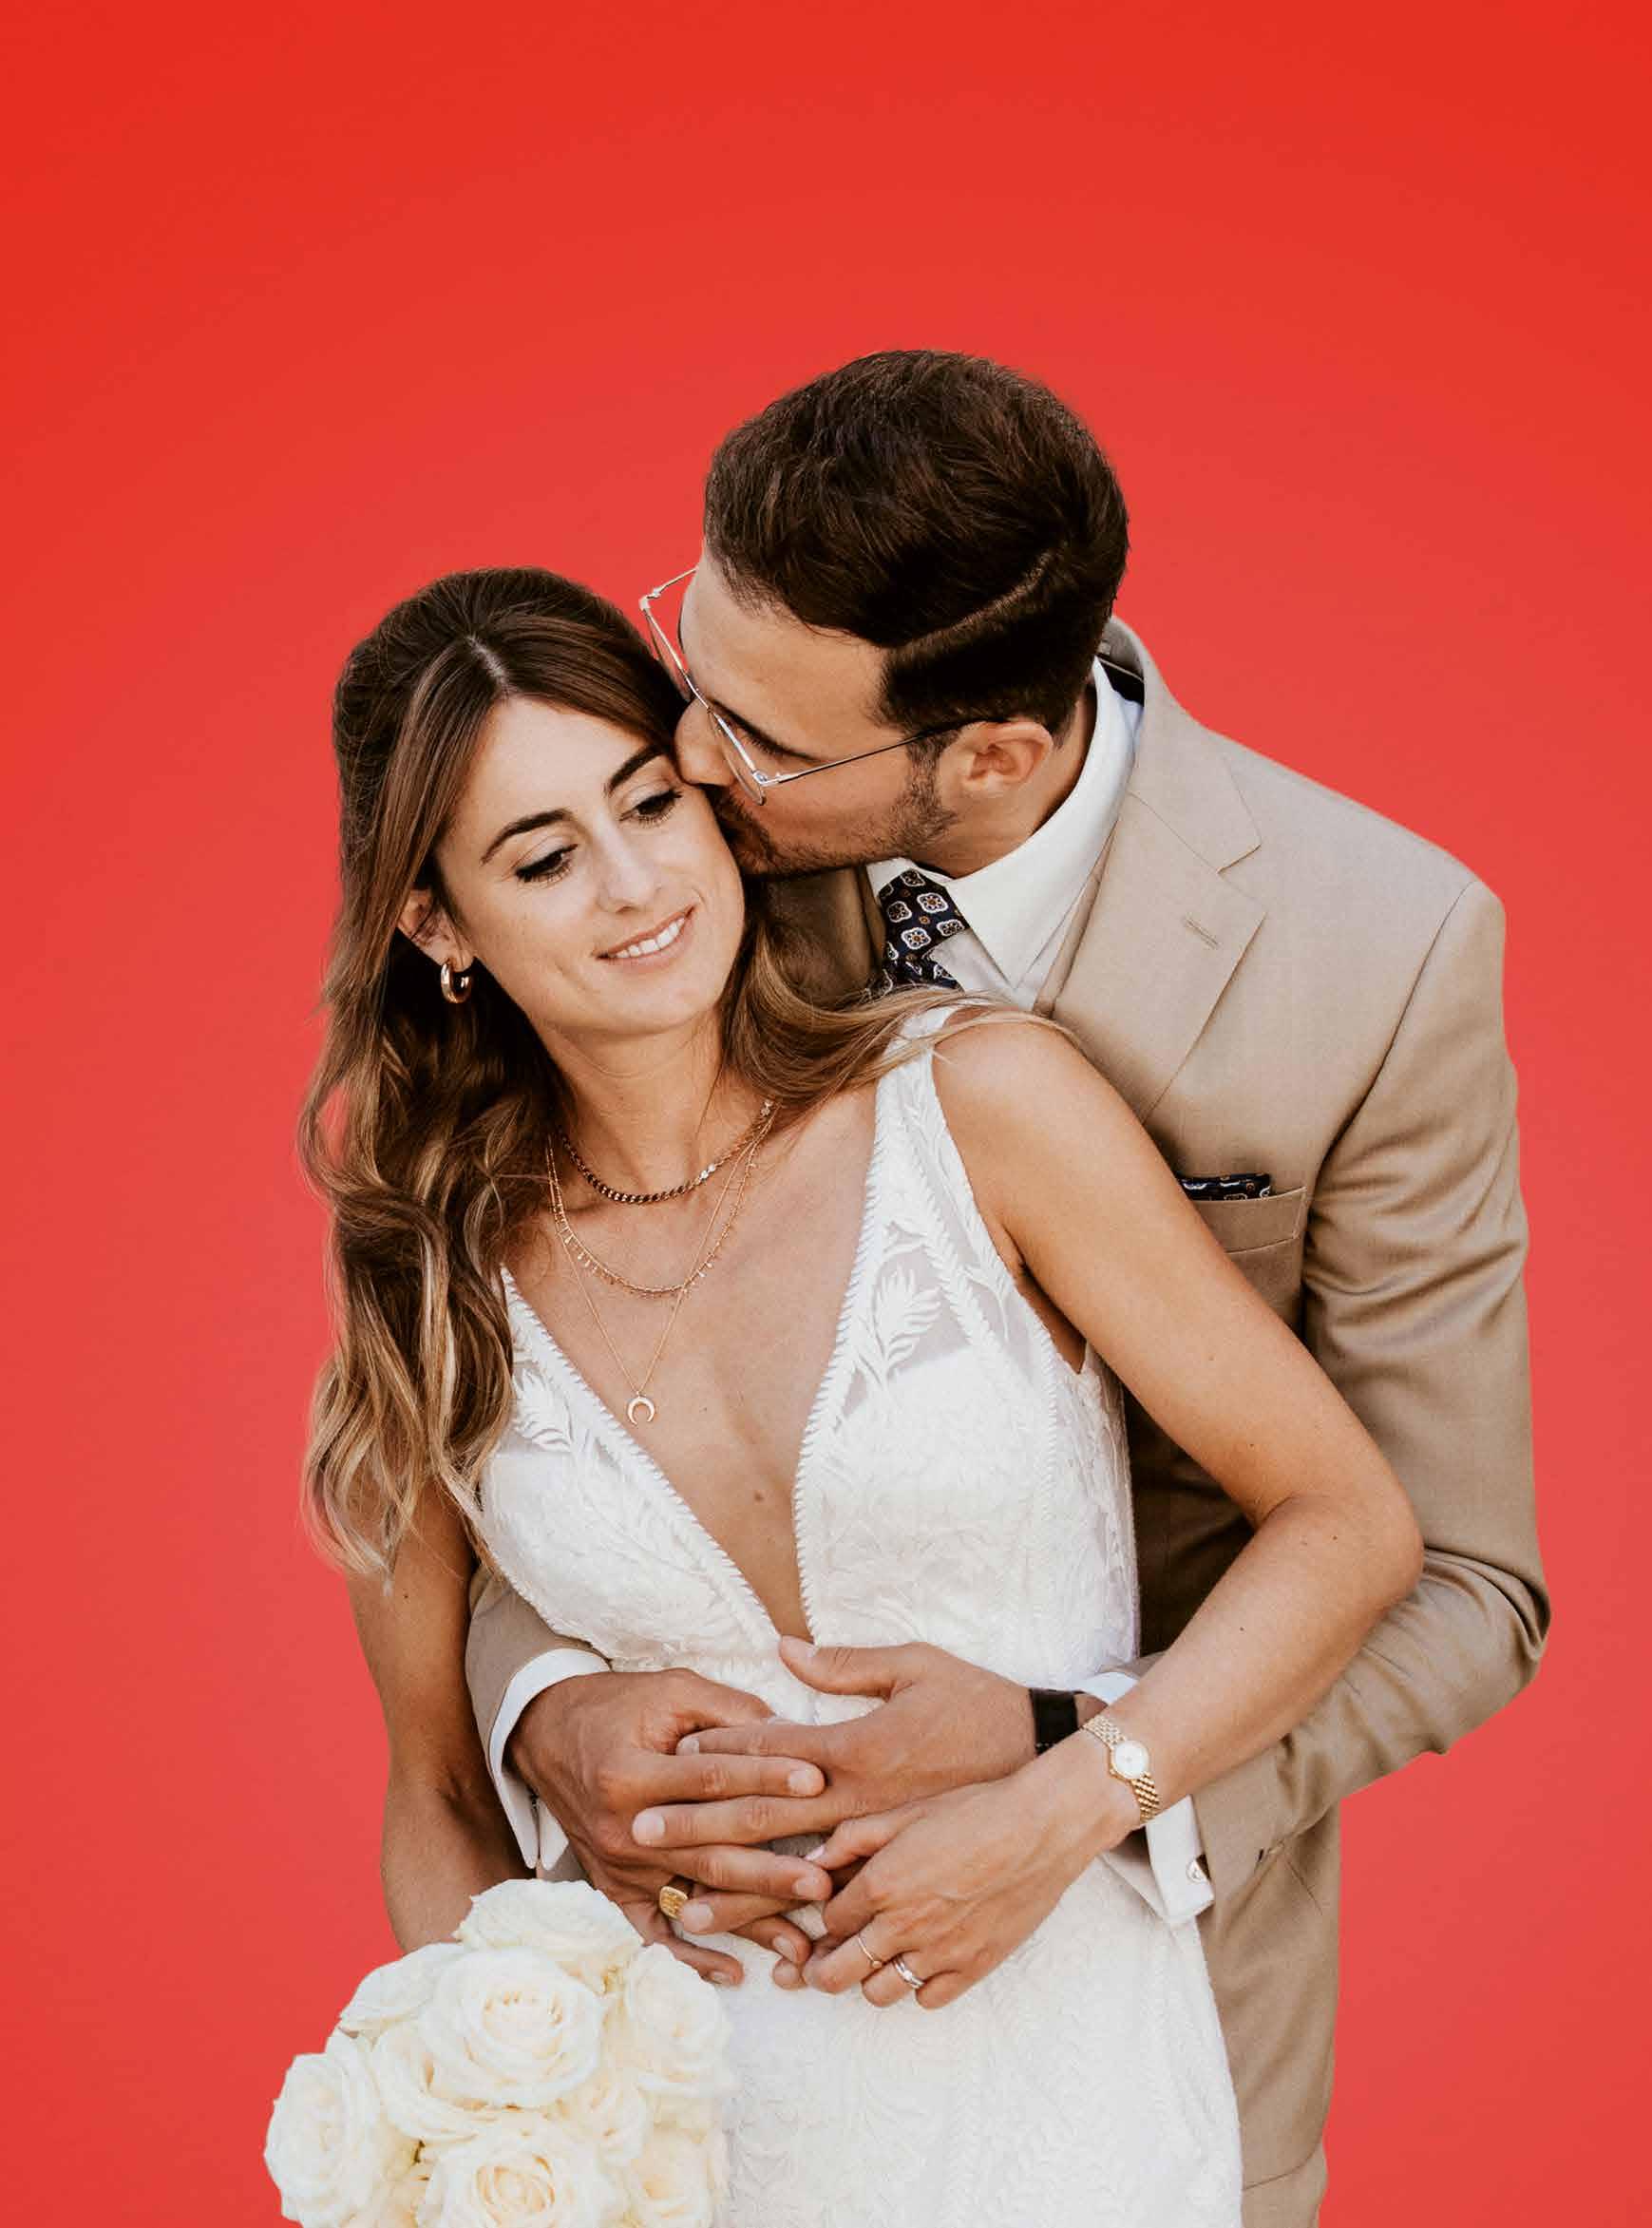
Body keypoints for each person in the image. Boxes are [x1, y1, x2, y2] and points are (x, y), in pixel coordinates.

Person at [465, 352, 1548, 2226]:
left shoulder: (1383, 956)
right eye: (685, 660)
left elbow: (1461, 1579)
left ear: (990, 760)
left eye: (760, 742)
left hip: (1159, 1979)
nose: (689, 766)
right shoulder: (672, 875)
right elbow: (550, 1391)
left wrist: (1075, 1774)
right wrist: (539, 1713)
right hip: (705, 2013)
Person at [304, 562, 1422, 2227]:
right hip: (689, 2165)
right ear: (439, 925)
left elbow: (1349, 1523)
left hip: (1077, 2113)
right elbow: (441, 1791)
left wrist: (1070, 1801)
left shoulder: (981, 1105)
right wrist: (504, 2132)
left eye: (651, 803)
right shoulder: (428, 1274)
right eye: (545, 856)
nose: (636, 884)